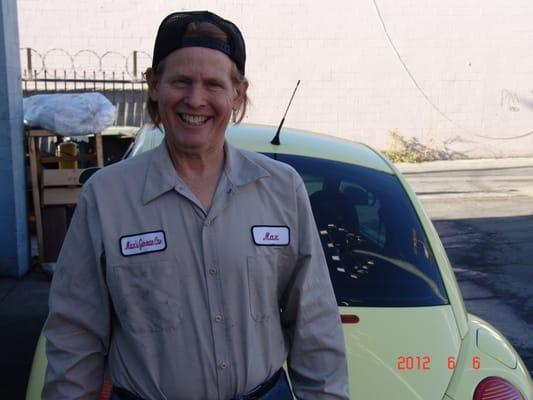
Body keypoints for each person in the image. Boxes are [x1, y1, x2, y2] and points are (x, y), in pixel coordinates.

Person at [42, 10, 349, 400]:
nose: (196, 99)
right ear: (154, 85)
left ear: (237, 92)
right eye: (181, 82)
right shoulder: (106, 197)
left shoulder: (282, 189)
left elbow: (315, 322)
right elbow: (74, 335)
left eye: (213, 84)